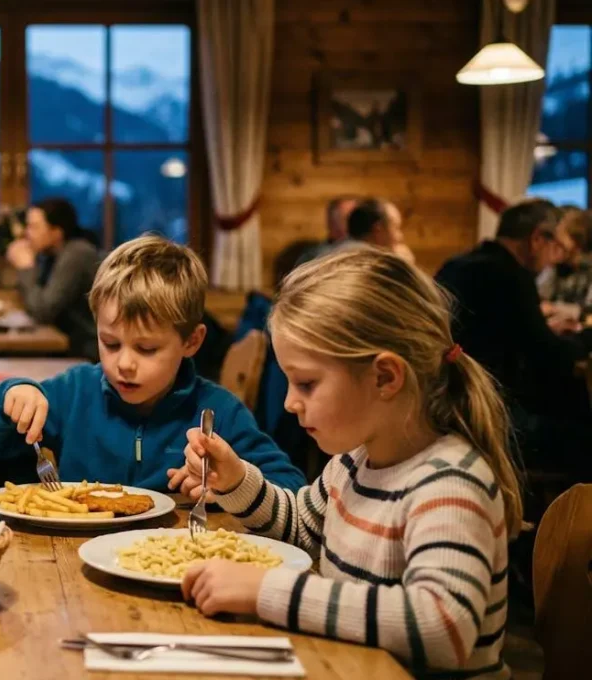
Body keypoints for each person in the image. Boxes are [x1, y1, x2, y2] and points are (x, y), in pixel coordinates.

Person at [170, 247, 520, 677]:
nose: (289, 402)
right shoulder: (355, 462)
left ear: (385, 377)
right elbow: (301, 526)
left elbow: (442, 628)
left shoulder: (449, 483)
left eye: (306, 383)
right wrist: (236, 479)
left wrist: (267, 590)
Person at [0, 236, 305, 492]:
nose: (124, 363)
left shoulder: (216, 412)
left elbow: (290, 485)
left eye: (147, 349)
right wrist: (11, 396)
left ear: (191, 341)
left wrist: (232, 484)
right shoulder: (76, 391)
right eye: (110, 343)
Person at [435, 199, 592, 484]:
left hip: (444, 407)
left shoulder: (457, 264)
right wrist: (587, 336)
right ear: (536, 239)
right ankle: (567, 522)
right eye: (554, 243)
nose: (555, 255)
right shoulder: (511, 277)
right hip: (492, 417)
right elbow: (552, 357)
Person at [5, 197, 101, 361]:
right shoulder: (50, 256)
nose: (26, 233)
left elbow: (42, 312)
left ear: (56, 232)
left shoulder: (76, 254)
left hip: (89, 353)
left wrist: (26, 267)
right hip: (71, 347)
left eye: (34, 227)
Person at [538, 207, 592, 320]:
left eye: (562, 247)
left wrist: (556, 308)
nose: (555, 249)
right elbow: (540, 297)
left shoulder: (587, 270)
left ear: (578, 249)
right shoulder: (552, 266)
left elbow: (588, 310)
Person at [293, 195, 358, 268]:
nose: (357, 222)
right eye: (351, 218)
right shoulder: (315, 258)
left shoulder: (366, 251)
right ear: (333, 222)